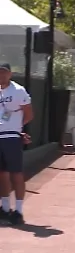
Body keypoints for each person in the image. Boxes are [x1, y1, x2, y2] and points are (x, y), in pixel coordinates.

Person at [0, 63, 34, 225]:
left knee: (16, 174)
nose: (2, 75)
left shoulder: (18, 91)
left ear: (10, 74)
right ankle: (5, 208)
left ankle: (19, 210)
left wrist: (16, 128)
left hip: (11, 138)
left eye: (4, 73)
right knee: (2, 174)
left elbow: (28, 114)